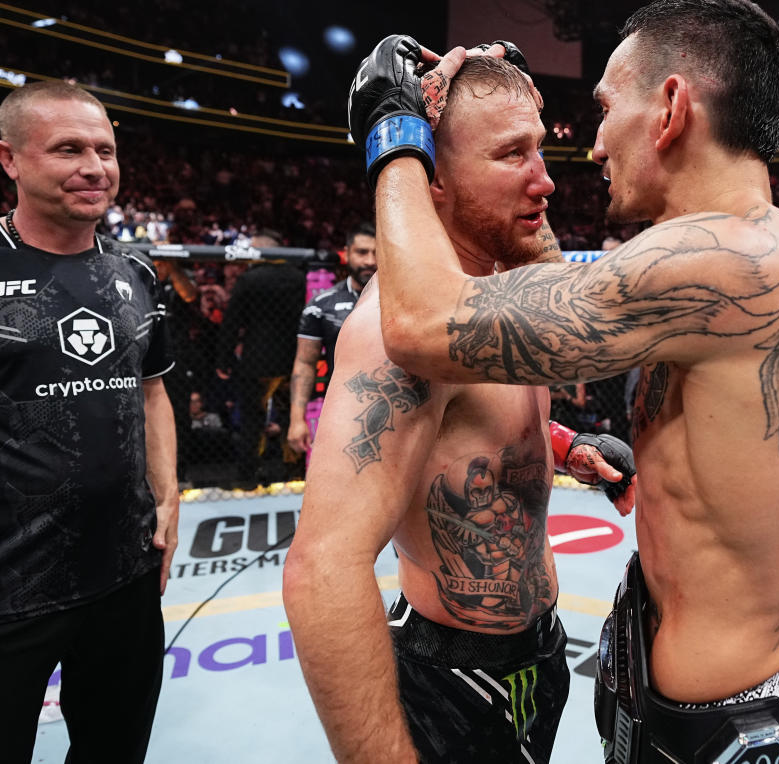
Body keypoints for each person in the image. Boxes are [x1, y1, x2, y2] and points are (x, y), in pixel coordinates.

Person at [349, 0, 779, 764]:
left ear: (668, 108)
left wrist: (392, 134)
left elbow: (424, 327)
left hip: (722, 726)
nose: (590, 146)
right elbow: (572, 319)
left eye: (603, 109)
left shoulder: (718, 260)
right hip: (756, 686)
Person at [283, 53, 636, 764]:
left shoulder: (493, 287)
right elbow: (322, 568)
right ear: (433, 176)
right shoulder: (402, 332)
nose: (546, 179)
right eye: (512, 154)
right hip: (449, 676)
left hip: (536, 654)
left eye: (539, 147)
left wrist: (565, 446)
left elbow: (482, 411)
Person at [0, 80, 178, 762]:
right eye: (69, 149)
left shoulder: (133, 272)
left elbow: (153, 391)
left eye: (105, 149)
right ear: (10, 159)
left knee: (114, 750)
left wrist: (167, 499)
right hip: (11, 586)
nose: (95, 167)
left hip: (124, 576)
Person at [215, 229, 305, 486]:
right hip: (292, 358)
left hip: (258, 360)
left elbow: (231, 323)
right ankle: (295, 472)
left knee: (253, 422)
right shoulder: (299, 277)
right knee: (291, 416)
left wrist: (223, 361)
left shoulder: (250, 279)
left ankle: (248, 477)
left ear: (262, 250)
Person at [288, 222, 378, 454]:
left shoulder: (405, 301)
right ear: (346, 253)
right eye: (362, 252)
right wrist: (297, 420)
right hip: (342, 410)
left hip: (400, 407)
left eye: (377, 253)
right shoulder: (321, 305)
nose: (369, 261)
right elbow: (305, 363)